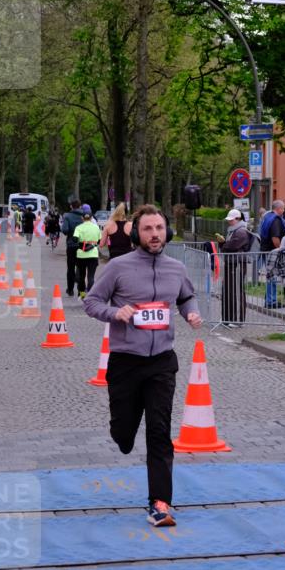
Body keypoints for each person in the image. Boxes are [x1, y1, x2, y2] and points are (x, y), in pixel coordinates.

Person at [84, 205, 202, 528]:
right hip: (125, 363)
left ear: (168, 232)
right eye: (148, 229)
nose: (155, 234)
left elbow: (186, 297)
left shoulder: (176, 269)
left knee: (160, 431)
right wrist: (114, 314)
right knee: (124, 435)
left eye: (160, 228)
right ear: (137, 233)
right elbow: (91, 302)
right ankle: (121, 432)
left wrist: (191, 312)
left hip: (162, 362)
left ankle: (160, 503)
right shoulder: (118, 268)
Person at [215, 209, 251, 327]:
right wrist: (224, 244)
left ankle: (237, 319)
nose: (229, 222)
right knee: (229, 290)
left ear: (237, 219)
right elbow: (229, 245)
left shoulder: (241, 231)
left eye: (231, 220)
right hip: (232, 263)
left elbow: (232, 246)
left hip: (237, 264)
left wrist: (223, 244)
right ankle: (228, 318)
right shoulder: (234, 230)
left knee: (236, 290)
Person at [260, 199, 285, 307]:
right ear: (279, 209)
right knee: (272, 277)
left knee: (270, 277)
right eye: (283, 208)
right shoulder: (276, 220)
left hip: (265, 250)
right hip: (272, 252)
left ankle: (269, 299)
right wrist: (281, 250)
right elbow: (275, 238)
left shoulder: (267, 217)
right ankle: (271, 301)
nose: (284, 210)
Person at [73, 204, 101, 298]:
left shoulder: (79, 228)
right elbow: (99, 241)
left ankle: (82, 295)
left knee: (81, 276)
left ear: (82, 217)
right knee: (91, 277)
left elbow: (75, 239)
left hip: (81, 255)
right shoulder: (96, 227)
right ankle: (91, 296)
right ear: (92, 217)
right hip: (93, 255)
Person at [61, 197, 85, 296]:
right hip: (83, 245)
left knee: (70, 268)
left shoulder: (67, 216)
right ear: (80, 206)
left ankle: (70, 290)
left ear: (71, 206)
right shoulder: (85, 216)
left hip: (71, 245)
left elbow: (65, 230)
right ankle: (81, 292)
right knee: (82, 268)